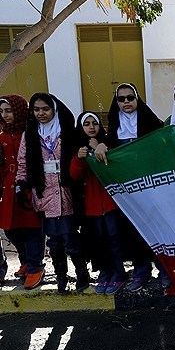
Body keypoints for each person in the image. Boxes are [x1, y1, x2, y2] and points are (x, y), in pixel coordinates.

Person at [93, 83, 170, 292]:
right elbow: (106, 145)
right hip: (128, 191)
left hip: (151, 189)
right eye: (121, 99)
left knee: (156, 229)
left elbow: (163, 146)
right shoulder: (115, 126)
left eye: (130, 97)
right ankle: (141, 271)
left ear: (137, 99)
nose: (126, 102)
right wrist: (101, 145)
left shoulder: (152, 123)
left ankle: (164, 270)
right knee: (133, 231)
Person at [16, 92, 89, 294]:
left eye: (45, 109)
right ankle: (61, 277)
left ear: (54, 110)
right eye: (36, 109)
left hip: (66, 192)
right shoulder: (30, 134)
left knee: (70, 238)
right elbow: (23, 162)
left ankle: (82, 274)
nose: (41, 113)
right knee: (54, 242)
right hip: (44, 193)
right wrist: (21, 186)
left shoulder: (66, 132)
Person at [70, 112, 128, 295]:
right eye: (86, 124)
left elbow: (112, 167)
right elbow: (75, 175)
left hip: (110, 204)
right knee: (99, 241)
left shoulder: (107, 143)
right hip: (92, 207)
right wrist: (79, 159)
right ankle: (105, 272)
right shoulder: (78, 148)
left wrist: (98, 147)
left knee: (115, 240)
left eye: (94, 123)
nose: (91, 127)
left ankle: (119, 273)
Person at [0, 94, 45, 290]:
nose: (5, 115)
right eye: (1, 112)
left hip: (28, 184)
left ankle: (36, 266)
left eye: (8, 111)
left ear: (19, 110)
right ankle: (25, 260)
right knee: (10, 228)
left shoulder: (31, 132)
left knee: (32, 227)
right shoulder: (2, 135)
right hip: (8, 187)